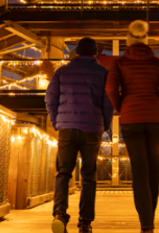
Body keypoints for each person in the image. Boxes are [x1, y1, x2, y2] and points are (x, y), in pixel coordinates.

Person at [106, 20, 159, 233]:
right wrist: (158, 102)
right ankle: (149, 218)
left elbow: (110, 89)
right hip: (156, 118)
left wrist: (121, 107)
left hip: (130, 119)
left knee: (140, 171)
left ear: (128, 40)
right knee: (154, 169)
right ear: (146, 41)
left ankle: (146, 223)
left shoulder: (119, 63)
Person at [46, 37, 112, 233]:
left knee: (63, 173)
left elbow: (50, 97)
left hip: (66, 127)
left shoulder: (62, 71)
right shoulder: (103, 73)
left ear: (76, 52)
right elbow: (108, 102)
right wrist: (105, 124)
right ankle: (85, 222)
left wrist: (56, 121)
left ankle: (59, 214)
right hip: (92, 127)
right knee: (89, 176)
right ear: (94, 53)